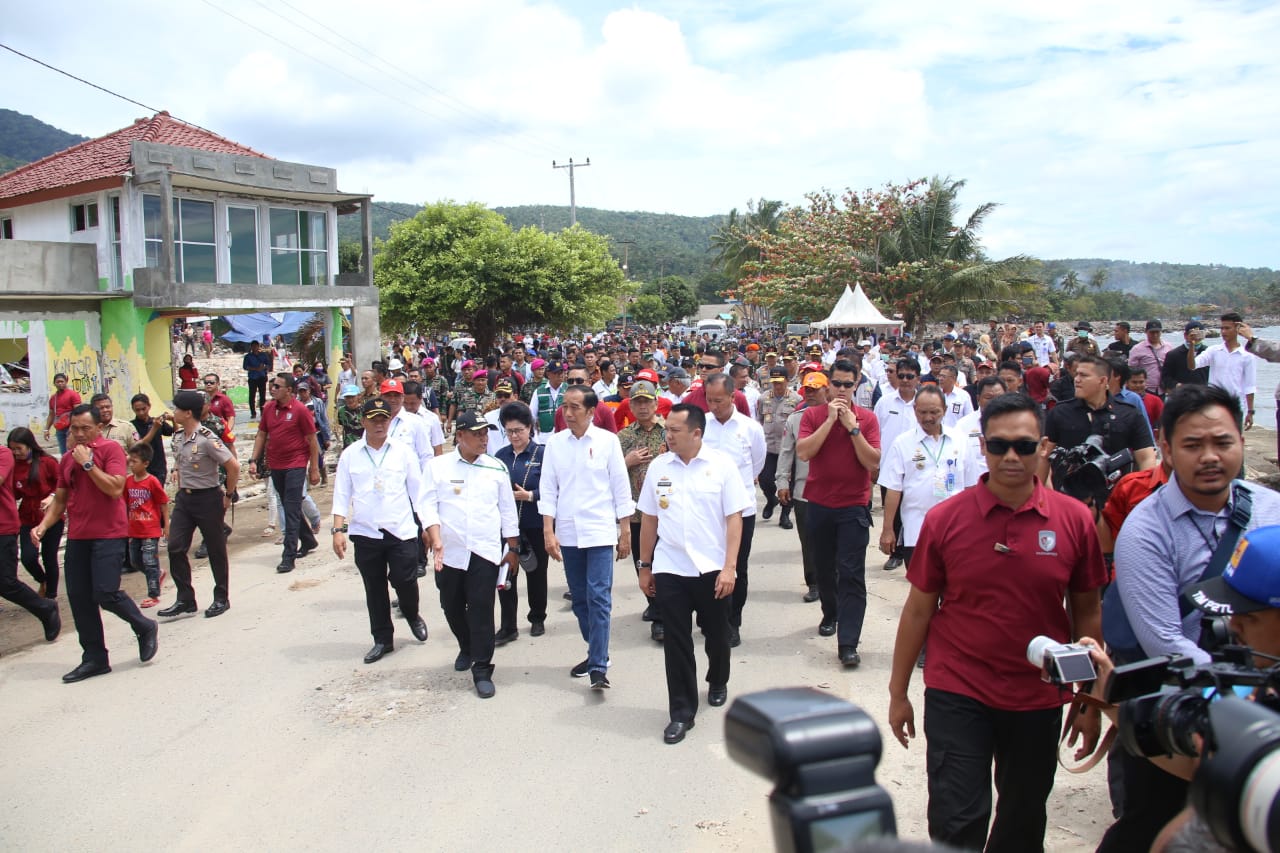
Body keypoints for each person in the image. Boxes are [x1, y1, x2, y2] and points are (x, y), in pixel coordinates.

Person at [887, 392, 1106, 852]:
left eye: (1024, 446)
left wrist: (1089, 698)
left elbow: (1086, 610)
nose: (1011, 457)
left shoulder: (1075, 520)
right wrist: (898, 692)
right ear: (982, 447)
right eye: (999, 446)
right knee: (956, 819)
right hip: (958, 689)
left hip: (1038, 694)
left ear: (1043, 447)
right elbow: (919, 609)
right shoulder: (946, 519)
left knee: (1023, 822)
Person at [1100, 384, 1280, 851]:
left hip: (1267, 705)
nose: (1210, 457)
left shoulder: (1270, 510)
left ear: (1241, 439)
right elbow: (1164, 639)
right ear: (1165, 448)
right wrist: (1244, 704)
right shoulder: (1145, 529)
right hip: (1180, 707)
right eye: (1193, 445)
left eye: (1222, 442)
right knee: (1156, 822)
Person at [636, 404, 747, 745]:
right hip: (671, 567)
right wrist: (645, 566)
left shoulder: (721, 466)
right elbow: (650, 519)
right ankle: (682, 712)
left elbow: (734, 519)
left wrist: (730, 567)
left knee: (716, 634)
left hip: (712, 568)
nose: (667, 435)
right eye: (666, 429)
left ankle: (718, 678)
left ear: (696, 433)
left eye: (674, 430)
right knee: (676, 642)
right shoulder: (658, 468)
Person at [32, 405, 159, 683]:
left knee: (105, 592)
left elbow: (115, 488)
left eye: (84, 428)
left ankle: (144, 625)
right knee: (78, 597)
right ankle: (94, 657)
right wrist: (42, 526)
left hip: (109, 534)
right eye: (73, 429)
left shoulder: (110, 450)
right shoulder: (67, 459)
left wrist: (88, 464)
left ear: (98, 428)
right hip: (78, 535)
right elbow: (61, 500)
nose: (78, 434)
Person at [539, 384, 634, 689]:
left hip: (600, 531)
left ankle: (598, 666)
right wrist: (548, 531)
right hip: (568, 532)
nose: (568, 413)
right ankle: (596, 649)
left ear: (592, 412)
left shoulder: (608, 442)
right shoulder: (555, 444)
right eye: (565, 407)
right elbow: (548, 489)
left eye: (575, 407)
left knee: (598, 596)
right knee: (580, 599)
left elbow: (620, 486)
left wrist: (625, 530)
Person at [419, 412, 520, 699]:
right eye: (477, 434)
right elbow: (426, 504)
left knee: (481, 608)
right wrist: (435, 536)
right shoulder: (437, 467)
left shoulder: (496, 468)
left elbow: (507, 512)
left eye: (486, 433)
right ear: (460, 436)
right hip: (449, 553)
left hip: (485, 552)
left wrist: (512, 548)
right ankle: (466, 645)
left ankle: (482, 667)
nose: (483, 439)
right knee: (450, 605)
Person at [331, 398, 429, 665]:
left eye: (384, 419)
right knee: (374, 588)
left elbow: (418, 492)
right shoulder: (350, 454)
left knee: (405, 580)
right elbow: (341, 495)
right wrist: (338, 529)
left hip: (401, 530)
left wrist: (428, 526)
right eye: (373, 419)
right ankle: (383, 639)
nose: (379, 424)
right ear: (363, 421)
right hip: (366, 533)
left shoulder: (402, 452)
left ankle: (412, 613)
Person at [797, 361, 882, 668]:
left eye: (848, 384)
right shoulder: (812, 414)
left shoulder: (867, 419)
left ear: (857, 384)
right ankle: (830, 612)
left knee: (851, 574)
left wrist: (852, 427)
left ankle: (848, 642)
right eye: (837, 384)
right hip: (819, 505)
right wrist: (830, 421)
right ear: (828, 385)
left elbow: (872, 462)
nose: (842, 390)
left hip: (853, 507)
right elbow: (805, 452)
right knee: (824, 570)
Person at [157, 390, 239, 619]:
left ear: (187, 413)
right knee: (175, 546)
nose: (173, 413)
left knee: (215, 549)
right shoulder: (179, 437)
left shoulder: (207, 439)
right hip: (185, 498)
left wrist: (228, 495)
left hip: (208, 498)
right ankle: (185, 598)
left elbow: (233, 467)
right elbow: (180, 463)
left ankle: (221, 597)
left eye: (176, 409)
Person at [701, 373, 766, 648]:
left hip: (740, 510)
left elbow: (757, 464)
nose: (713, 405)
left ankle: (732, 621)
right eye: (709, 400)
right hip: (706, 509)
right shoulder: (701, 425)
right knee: (705, 565)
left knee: (736, 567)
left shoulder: (750, 428)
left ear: (732, 397)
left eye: (719, 400)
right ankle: (710, 616)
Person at [876, 385, 967, 570]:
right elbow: (893, 489)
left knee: (954, 591)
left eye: (934, 412)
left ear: (945, 410)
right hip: (916, 530)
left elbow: (971, 486)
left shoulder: (960, 440)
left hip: (956, 530)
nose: (928, 418)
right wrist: (888, 529)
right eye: (922, 412)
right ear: (914, 410)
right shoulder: (902, 443)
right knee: (922, 591)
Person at [1042, 355, 1157, 486]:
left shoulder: (1129, 414)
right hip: (1068, 496)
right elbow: (1043, 457)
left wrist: (1142, 491)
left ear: (1103, 381)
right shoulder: (1059, 413)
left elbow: (1146, 458)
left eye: (1083, 376)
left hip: (1116, 495)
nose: (1077, 380)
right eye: (1077, 375)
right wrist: (1048, 495)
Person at [249, 375, 321, 574]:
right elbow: (262, 434)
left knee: (289, 507)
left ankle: (288, 555)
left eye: (277, 386)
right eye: (272, 386)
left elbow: (312, 441)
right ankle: (308, 540)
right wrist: (253, 459)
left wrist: (314, 468)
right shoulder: (269, 409)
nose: (272, 389)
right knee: (291, 505)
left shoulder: (300, 410)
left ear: (289, 390)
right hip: (276, 465)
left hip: (296, 464)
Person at [616, 380, 668, 643]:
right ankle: (654, 602)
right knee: (643, 563)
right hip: (637, 514)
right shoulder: (623, 437)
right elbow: (611, 476)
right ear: (631, 405)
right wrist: (627, 461)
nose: (643, 406)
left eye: (648, 401)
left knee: (665, 564)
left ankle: (661, 617)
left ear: (656, 403)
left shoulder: (670, 431)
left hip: (667, 513)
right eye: (637, 401)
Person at [495, 402, 549, 640]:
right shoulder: (500, 456)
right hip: (507, 528)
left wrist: (530, 496)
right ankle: (508, 626)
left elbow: (554, 489)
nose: (515, 436)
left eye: (519, 430)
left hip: (535, 524)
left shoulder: (542, 454)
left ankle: (537, 617)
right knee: (506, 575)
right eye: (510, 431)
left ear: (530, 428)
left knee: (536, 573)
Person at [0, 438, 62, 646]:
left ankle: (45, 607)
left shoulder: (4, 454)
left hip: (3, 527)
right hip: (24, 517)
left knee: (6, 583)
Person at [776, 372, 826, 603]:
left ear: (827, 389)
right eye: (808, 389)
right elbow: (786, 453)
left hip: (833, 492)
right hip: (804, 491)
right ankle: (814, 582)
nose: (811, 393)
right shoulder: (795, 419)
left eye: (816, 389)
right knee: (809, 541)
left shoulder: (837, 416)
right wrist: (782, 482)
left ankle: (832, 580)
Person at [873, 359, 920, 570]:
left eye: (910, 376)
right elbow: (875, 434)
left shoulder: (924, 403)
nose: (905, 380)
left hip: (917, 467)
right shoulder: (885, 402)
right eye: (901, 376)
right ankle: (895, 553)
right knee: (892, 511)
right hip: (889, 467)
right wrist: (875, 464)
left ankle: (912, 550)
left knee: (912, 510)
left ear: (918, 378)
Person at [10, 428, 62, 599]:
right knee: (28, 557)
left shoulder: (48, 462)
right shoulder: (14, 465)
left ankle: (51, 596)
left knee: (49, 557)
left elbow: (62, 484)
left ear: (30, 446)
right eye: (13, 449)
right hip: (27, 516)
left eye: (19, 448)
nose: (16, 452)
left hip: (51, 516)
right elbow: (14, 493)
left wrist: (52, 497)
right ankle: (42, 580)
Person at [1190, 310, 1257, 431]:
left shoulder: (1247, 356)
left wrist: (1250, 412)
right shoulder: (1214, 351)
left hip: (1235, 407)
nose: (1223, 332)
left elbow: (1249, 386)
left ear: (1237, 328)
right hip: (1213, 406)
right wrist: (1192, 346)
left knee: (1232, 443)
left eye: (1227, 328)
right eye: (1222, 328)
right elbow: (1193, 365)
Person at [757, 365, 801, 527]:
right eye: (774, 382)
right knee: (765, 480)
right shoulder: (763, 399)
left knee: (788, 483)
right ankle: (771, 500)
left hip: (787, 449)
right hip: (769, 447)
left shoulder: (796, 400)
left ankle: (785, 514)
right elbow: (760, 420)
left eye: (780, 382)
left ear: (787, 381)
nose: (777, 386)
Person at [125, 444, 169, 608]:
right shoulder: (128, 482)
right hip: (134, 529)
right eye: (130, 461)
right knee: (136, 561)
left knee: (150, 560)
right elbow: (124, 503)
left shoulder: (152, 482)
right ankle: (157, 575)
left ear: (146, 463)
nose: (131, 465)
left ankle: (154, 594)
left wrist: (166, 525)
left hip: (150, 529)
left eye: (134, 461)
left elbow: (163, 503)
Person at [129, 394, 175, 484]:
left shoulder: (156, 421)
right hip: (140, 468)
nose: (141, 412)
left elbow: (175, 433)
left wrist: (173, 420)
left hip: (158, 467)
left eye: (143, 409)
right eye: (137, 410)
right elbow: (141, 444)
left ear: (149, 406)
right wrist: (154, 428)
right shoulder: (131, 426)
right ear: (133, 409)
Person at [1160, 321, 1209, 394]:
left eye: (1199, 334)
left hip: (1204, 395)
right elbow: (1165, 378)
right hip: (1182, 396)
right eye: (1193, 334)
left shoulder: (1208, 352)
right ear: (1185, 335)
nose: (1195, 337)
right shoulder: (1173, 354)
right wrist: (1176, 385)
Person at [1128, 320, 1173, 395]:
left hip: (1164, 388)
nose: (1155, 335)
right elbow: (1131, 369)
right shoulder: (1137, 349)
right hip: (1145, 389)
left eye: (1157, 332)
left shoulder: (1168, 347)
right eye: (1152, 332)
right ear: (1146, 332)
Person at [43, 372, 82, 454]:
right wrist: (46, 429)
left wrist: (73, 427)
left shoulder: (73, 395)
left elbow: (78, 412)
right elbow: (51, 415)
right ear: (54, 383)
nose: (60, 383)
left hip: (71, 428)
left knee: (72, 450)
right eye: (58, 382)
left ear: (66, 382)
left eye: (62, 381)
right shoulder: (53, 398)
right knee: (63, 452)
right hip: (60, 428)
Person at [243, 340, 273, 419]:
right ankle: (253, 412)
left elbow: (268, 364)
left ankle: (263, 411)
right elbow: (245, 367)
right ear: (251, 347)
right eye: (253, 346)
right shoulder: (248, 356)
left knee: (262, 395)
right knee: (252, 395)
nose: (255, 348)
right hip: (252, 377)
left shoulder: (263, 355)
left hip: (262, 376)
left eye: (256, 346)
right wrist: (255, 368)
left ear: (258, 347)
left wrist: (264, 367)